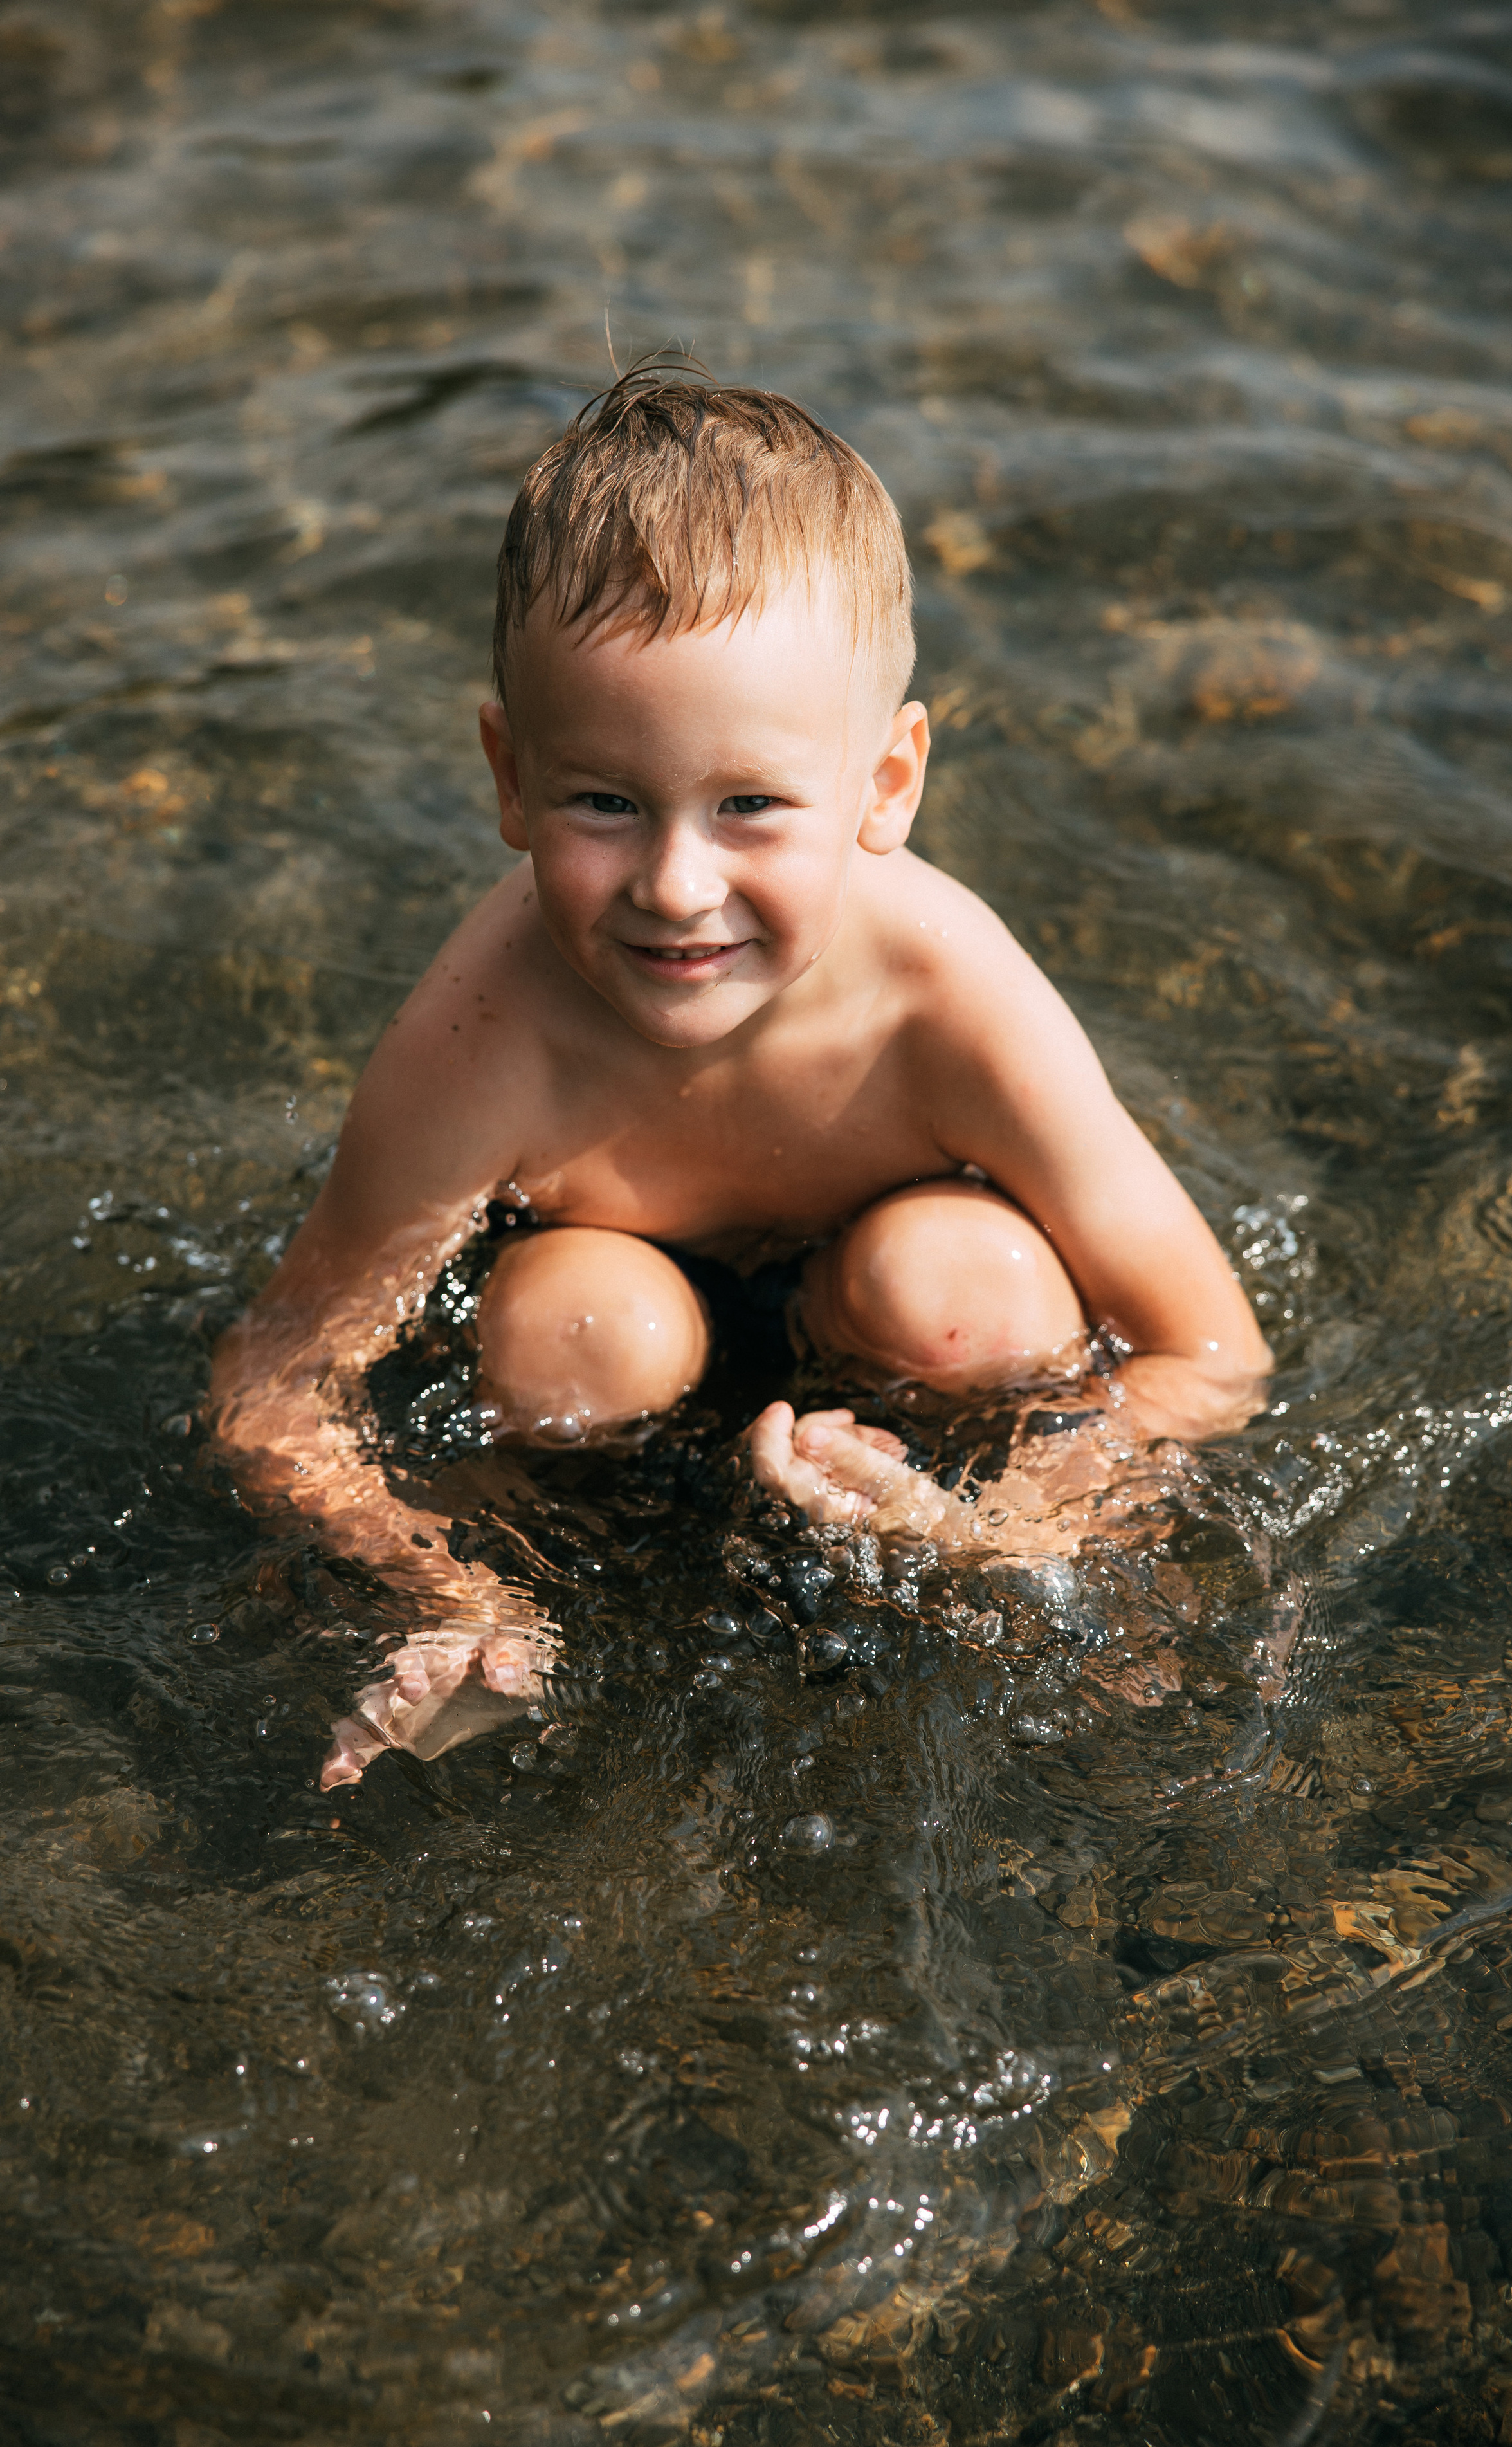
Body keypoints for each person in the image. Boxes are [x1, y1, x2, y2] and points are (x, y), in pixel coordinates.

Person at [209, 362, 1271, 1788]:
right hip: (606, 1383)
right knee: (581, 1324)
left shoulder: (944, 990)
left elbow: (1206, 1353)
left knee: (969, 1286)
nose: (675, 885)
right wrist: (440, 1587)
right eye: (606, 801)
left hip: (895, 1361)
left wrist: (1003, 1531)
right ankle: (546, 1607)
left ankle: (929, 1584)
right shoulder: (486, 1031)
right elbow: (281, 1379)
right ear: (510, 777)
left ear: (885, 786)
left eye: (751, 805)